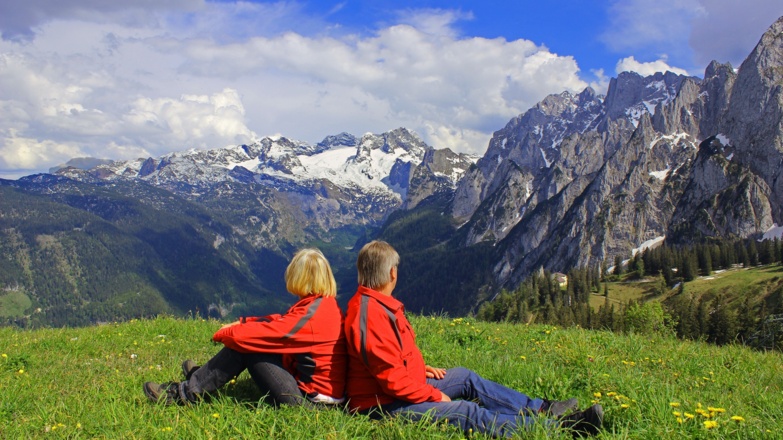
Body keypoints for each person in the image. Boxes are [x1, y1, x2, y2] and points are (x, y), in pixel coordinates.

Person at [343, 240, 603, 438]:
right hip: (382, 404)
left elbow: (389, 360)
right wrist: (432, 395)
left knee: (466, 377)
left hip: (401, 387)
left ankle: (541, 408)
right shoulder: (370, 315)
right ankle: (559, 429)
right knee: (465, 411)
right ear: (392, 274)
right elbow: (391, 380)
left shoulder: (376, 305)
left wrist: (420, 369)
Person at [143, 248, 347, 407]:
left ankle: (185, 393)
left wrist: (226, 333)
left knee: (247, 344)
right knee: (248, 336)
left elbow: (265, 333)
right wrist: (243, 322)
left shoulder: (312, 316)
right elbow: (281, 321)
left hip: (311, 404)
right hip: (322, 397)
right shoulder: (322, 306)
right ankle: (204, 376)